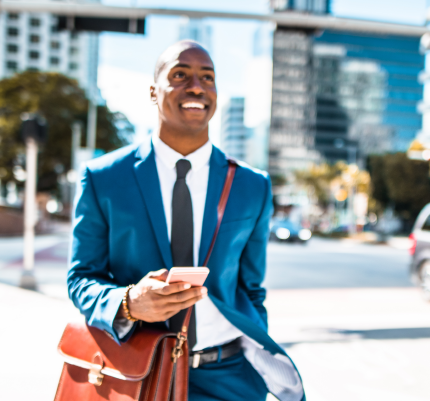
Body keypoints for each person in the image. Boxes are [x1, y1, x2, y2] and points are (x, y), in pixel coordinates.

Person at [67, 41, 304, 401]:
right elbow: (81, 278)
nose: (196, 86)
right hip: (138, 372)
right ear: (153, 91)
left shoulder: (252, 185)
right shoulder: (104, 178)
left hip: (229, 378)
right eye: (180, 75)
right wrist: (129, 303)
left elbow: (252, 287)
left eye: (207, 77)